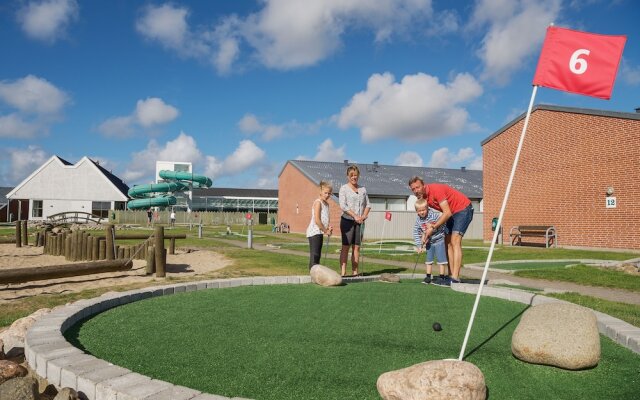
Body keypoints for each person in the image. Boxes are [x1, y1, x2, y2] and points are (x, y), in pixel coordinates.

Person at [408, 176, 474, 284]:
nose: (416, 191)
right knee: (447, 243)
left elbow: (446, 212)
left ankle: (455, 278)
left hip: (463, 208)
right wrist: (425, 232)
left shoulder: (436, 190)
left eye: (418, 187)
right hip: (452, 213)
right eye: (413, 189)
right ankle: (450, 275)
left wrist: (433, 227)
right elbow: (429, 216)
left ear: (423, 185)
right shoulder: (423, 198)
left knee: (455, 240)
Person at [339, 165, 371, 277]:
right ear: (348, 176)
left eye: (355, 175)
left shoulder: (363, 189)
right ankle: (343, 273)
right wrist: (355, 215)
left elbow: (368, 205)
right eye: (351, 175)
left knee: (356, 247)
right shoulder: (343, 188)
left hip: (360, 222)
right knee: (346, 246)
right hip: (347, 221)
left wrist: (364, 215)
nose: (354, 177)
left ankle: (355, 272)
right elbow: (343, 205)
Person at [413, 198, 448, 286]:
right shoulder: (418, 220)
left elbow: (443, 225)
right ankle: (428, 277)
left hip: (439, 240)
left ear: (427, 208)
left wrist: (433, 227)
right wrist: (419, 245)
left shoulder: (434, 216)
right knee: (429, 260)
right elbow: (416, 232)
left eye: (423, 210)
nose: (422, 212)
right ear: (416, 211)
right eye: (419, 211)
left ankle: (442, 277)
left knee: (441, 260)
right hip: (429, 242)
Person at [306, 181, 333, 270]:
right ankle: (313, 275)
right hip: (314, 232)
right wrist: (326, 231)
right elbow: (317, 220)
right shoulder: (318, 203)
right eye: (325, 193)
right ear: (320, 192)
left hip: (320, 232)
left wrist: (328, 228)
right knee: (315, 255)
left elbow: (326, 219)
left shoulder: (327, 204)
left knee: (318, 255)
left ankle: (316, 274)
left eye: (329, 193)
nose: (327, 195)